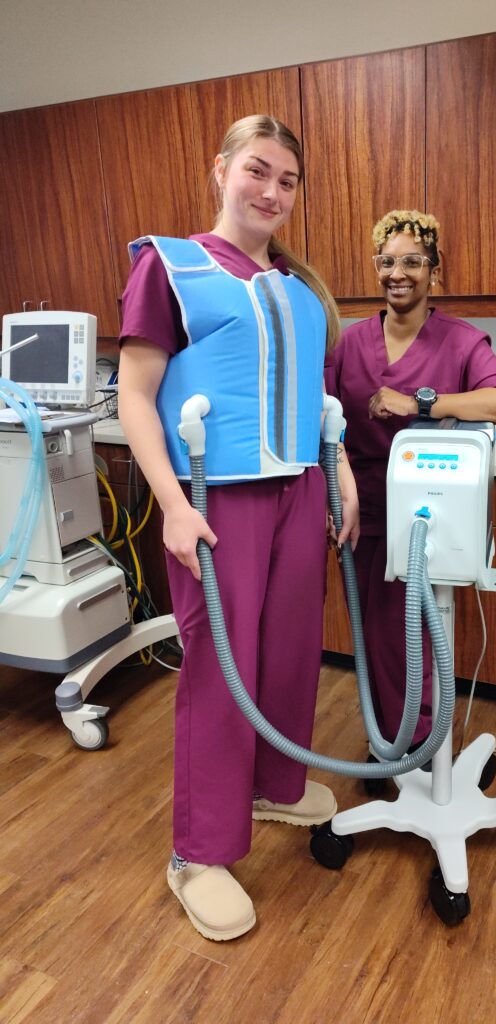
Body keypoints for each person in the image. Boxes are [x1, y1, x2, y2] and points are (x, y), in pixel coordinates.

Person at [118, 115, 359, 942]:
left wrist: (339, 474)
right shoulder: (171, 267)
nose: (272, 191)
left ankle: (274, 786)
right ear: (221, 170)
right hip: (215, 499)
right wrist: (172, 505)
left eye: (288, 180)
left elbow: (313, 399)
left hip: (298, 490)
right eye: (258, 170)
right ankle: (199, 852)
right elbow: (134, 397)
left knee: (290, 652)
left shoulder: (298, 289)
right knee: (222, 671)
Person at [325, 209, 496, 752]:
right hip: (361, 512)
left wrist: (421, 404)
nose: (398, 274)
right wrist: (331, 494)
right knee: (375, 637)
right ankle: (392, 741)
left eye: (412, 262)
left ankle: (419, 746)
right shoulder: (348, 344)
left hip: (427, 516)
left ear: (435, 269)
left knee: (412, 635)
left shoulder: (460, 341)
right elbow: (322, 421)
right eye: (387, 262)